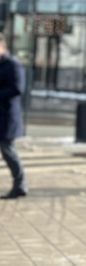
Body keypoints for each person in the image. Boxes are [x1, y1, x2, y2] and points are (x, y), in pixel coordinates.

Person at [0, 33, 27, 199]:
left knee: (8, 151)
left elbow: (17, 88)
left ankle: (20, 185)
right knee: (7, 151)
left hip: (6, 116)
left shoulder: (12, 64)